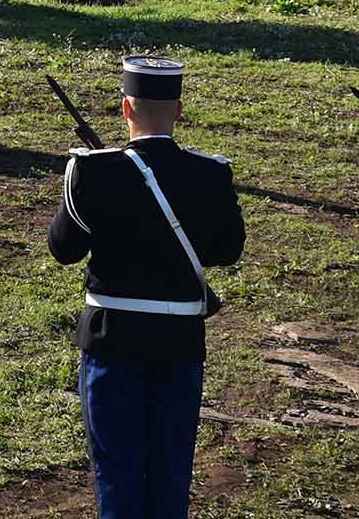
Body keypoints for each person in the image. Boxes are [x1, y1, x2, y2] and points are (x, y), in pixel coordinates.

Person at [47, 56, 244, 519]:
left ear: (124, 109)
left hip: (112, 336)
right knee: (170, 469)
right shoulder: (210, 175)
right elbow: (228, 249)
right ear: (178, 111)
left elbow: (64, 248)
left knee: (116, 471)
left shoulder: (92, 171)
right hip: (179, 340)